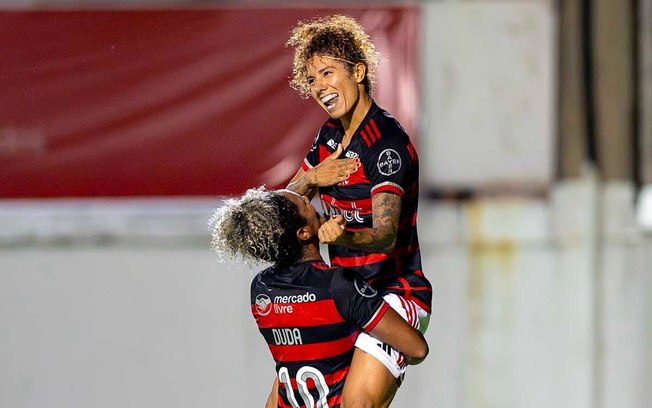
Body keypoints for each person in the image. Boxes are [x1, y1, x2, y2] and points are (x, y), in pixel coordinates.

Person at [285, 14, 432, 407]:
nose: (319, 87)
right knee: (286, 398)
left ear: (359, 71)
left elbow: (385, 236)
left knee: (357, 405)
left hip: (394, 295)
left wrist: (341, 234)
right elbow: (287, 205)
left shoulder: (385, 143)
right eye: (312, 80)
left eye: (328, 73)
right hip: (345, 295)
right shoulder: (328, 136)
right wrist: (315, 175)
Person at [209, 187, 428, 408]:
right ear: (303, 233)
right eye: (304, 203)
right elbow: (417, 348)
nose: (308, 198)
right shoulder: (338, 284)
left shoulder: (261, 288)